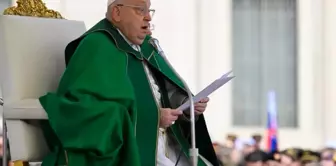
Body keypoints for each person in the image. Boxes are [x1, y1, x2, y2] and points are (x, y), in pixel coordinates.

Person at [38, 0, 218, 165]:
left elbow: (159, 91)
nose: (148, 17)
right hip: (132, 150)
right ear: (117, 12)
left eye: (149, 11)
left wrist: (184, 106)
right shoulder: (97, 46)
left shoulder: (147, 47)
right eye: (140, 10)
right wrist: (152, 117)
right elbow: (86, 111)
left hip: (169, 145)